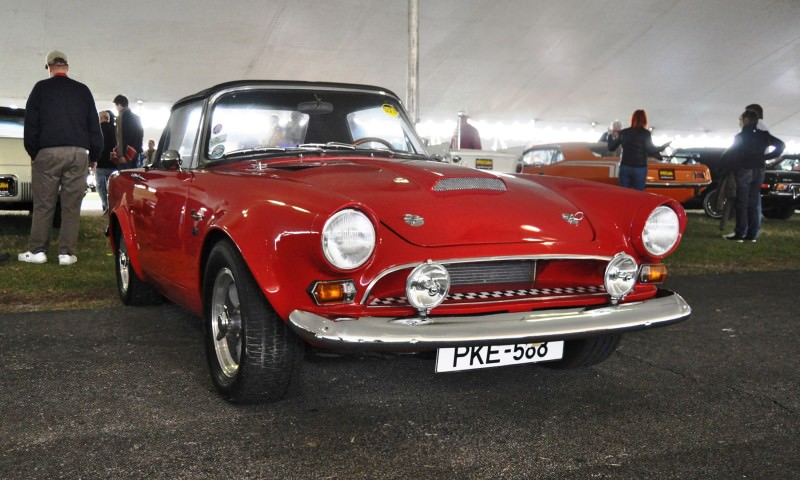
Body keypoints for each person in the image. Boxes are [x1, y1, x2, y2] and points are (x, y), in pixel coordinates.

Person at [18, 50, 103, 266]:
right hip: (78, 153)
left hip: (47, 153)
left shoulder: (40, 89)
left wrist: (33, 151)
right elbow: (94, 126)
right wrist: (94, 155)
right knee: (71, 205)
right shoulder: (82, 91)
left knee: (44, 204)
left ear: (48, 67)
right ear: (67, 67)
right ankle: (66, 253)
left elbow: (31, 124)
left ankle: (38, 251)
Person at [722, 110, 784, 242]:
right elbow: (780, 145)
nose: (739, 122)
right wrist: (765, 157)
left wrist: (731, 166)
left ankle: (740, 233)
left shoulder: (741, 136)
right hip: (760, 169)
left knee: (742, 202)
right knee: (754, 201)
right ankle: (752, 234)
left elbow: (732, 154)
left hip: (745, 169)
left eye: (741, 119)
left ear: (746, 120)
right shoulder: (763, 135)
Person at [607, 109, 670, 190]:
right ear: (644, 120)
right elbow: (650, 150)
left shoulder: (624, 132)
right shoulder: (646, 133)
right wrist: (663, 147)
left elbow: (611, 148)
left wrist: (610, 135)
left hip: (625, 166)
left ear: (632, 119)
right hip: (639, 168)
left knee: (623, 192)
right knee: (638, 193)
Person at [113, 94, 143, 168]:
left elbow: (123, 138)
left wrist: (123, 155)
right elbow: (140, 135)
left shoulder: (121, 118)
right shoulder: (136, 118)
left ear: (119, 105)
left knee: (124, 177)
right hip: (135, 153)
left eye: (116, 106)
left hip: (126, 156)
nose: (116, 108)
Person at [95, 110, 117, 213]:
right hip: (112, 163)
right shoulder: (114, 129)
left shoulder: (97, 129)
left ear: (100, 118)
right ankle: (112, 205)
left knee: (100, 187)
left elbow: (94, 145)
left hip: (100, 163)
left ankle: (105, 204)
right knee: (112, 188)